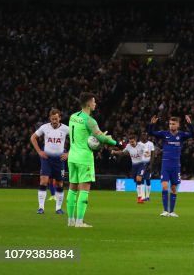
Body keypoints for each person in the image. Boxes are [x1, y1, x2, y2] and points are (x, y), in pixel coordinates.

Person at [66, 92, 120, 228]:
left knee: (72, 188)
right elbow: (101, 138)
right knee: (84, 189)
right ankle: (79, 222)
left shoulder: (73, 116)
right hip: (84, 158)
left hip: (72, 156)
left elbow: (86, 136)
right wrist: (116, 142)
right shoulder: (90, 120)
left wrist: (95, 138)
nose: (95, 104)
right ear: (89, 103)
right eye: (94, 102)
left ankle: (70, 220)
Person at [148, 114, 194, 217]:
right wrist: (152, 124)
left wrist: (190, 124)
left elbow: (192, 134)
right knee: (164, 186)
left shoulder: (181, 135)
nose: (171, 125)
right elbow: (151, 133)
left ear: (178, 125)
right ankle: (165, 210)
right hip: (165, 164)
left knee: (174, 188)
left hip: (176, 166)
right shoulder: (164, 134)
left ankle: (172, 211)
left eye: (173, 124)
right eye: (170, 124)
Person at [30, 108, 69, 215]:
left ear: (60, 118)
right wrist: (39, 152)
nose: (54, 121)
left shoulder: (66, 129)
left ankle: (58, 209)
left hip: (59, 159)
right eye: (53, 119)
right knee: (43, 180)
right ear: (50, 119)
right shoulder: (44, 127)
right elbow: (33, 138)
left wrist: (68, 154)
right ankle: (41, 207)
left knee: (60, 183)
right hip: (46, 158)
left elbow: (76, 141)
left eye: (56, 119)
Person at [111, 136, 149, 203]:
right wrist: (115, 152)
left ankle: (141, 197)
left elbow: (147, 152)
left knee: (138, 178)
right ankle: (139, 197)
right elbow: (122, 152)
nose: (131, 143)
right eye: (130, 142)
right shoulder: (128, 146)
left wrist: (146, 154)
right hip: (134, 165)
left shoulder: (141, 145)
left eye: (133, 142)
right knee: (137, 181)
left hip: (141, 164)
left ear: (135, 140)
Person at [141, 136, 155, 201]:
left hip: (148, 164)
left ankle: (148, 196)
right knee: (141, 179)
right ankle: (143, 197)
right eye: (143, 135)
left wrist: (151, 165)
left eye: (145, 134)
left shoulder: (151, 144)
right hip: (141, 164)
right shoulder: (139, 144)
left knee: (148, 180)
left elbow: (153, 155)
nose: (144, 136)